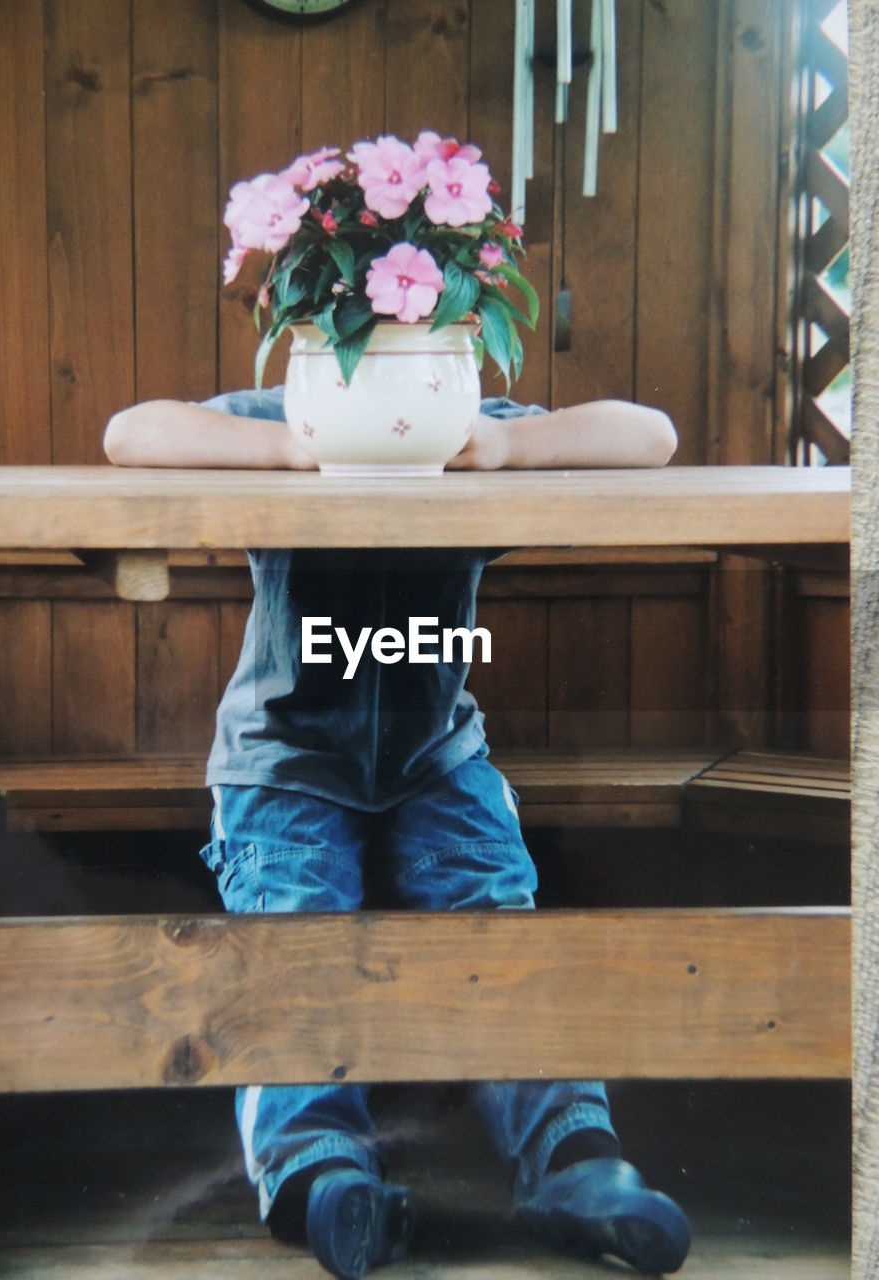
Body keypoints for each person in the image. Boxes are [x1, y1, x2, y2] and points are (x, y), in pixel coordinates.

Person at [104, 389, 691, 1279]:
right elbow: (129, 433)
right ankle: (320, 1171)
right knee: (293, 936)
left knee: (495, 917)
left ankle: (574, 1160)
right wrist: (293, 448)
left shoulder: (465, 418)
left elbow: (653, 435)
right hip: (284, 757)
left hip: (434, 755)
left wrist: (503, 443)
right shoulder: (291, 409)